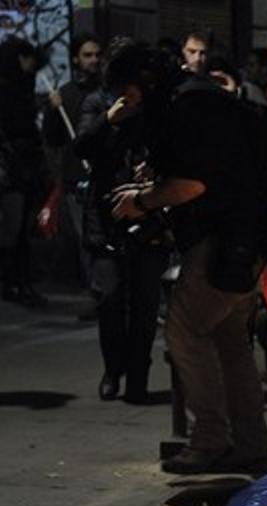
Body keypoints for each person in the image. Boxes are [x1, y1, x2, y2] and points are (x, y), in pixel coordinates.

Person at [106, 42, 267, 475]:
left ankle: (210, 440)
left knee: (184, 331)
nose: (127, 100)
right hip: (246, 237)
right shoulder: (198, 96)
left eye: (129, 91)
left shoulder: (187, 104)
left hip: (222, 240)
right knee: (229, 341)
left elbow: (194, 184)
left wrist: (141, 201)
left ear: (144, 79)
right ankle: (251, 444)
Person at [74, 36, 169, 403]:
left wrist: (155, 165)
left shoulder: (154, 104)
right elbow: (81, 146)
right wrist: (107, 120)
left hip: (147, 210)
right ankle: (113, 368)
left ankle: (138, 377)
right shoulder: (97, 102)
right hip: (107, 212)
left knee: (145, 301)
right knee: (110, 298)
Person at [42, 33, 104, 295]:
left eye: (97, 55)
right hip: (76, 178)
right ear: (76, 59)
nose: (94, 60)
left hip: (105, 175)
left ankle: (110, 291)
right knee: (85, 239)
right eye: (87, 55)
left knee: (106, 238)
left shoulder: (108, 92)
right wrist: (54, 111)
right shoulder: (65, 95)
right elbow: (53, 138)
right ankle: (97, 292)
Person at [0, 37, 47, 306]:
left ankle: (14, 281)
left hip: (18, 166)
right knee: (16, 227)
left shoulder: (16, 86)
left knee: (16, 228)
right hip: (16, 167)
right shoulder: (11, 92)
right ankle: (16, 281)